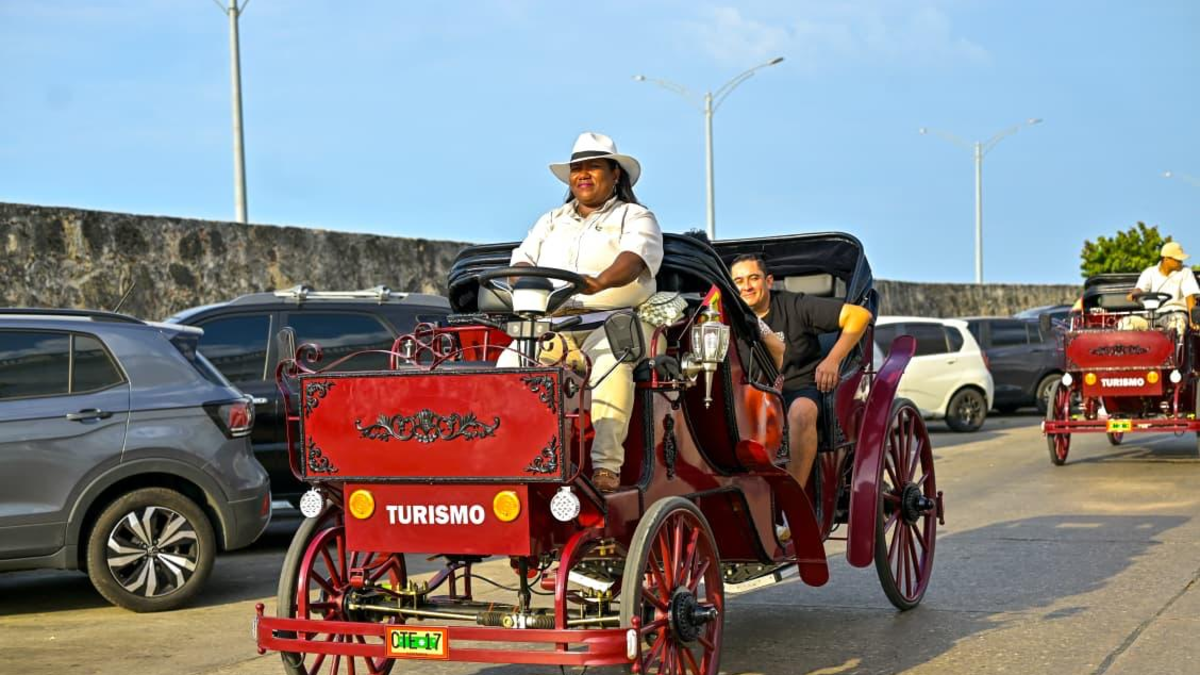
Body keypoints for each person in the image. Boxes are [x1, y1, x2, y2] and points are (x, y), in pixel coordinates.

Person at [506, 132, 663, 493]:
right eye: (577, 169)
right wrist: (526, 285)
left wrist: (600, 281)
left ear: (615, 175)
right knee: (510, 361)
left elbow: (634, 259)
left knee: (612, 357)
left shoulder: (635, 216)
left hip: (614, 317)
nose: (583, 175)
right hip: (555, 321)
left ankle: (606, 465)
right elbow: (522, 261)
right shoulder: (550, 220)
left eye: (593, 167)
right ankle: (522, 457)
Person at [729, 255, 873, 496]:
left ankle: (792, 501)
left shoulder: (794, 305)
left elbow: (859, 316)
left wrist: (832, 360)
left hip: (798, 388)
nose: (746, 286)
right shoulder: (728, 318)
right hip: (751, 396)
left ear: (769, 281)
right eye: (739, 281)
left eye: (754, 278)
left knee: (802, 412)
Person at [1128, 241, 1199, 333]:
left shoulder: (1185, 271)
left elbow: (1190, 296)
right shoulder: (1149, 272)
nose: (1181, 262)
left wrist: (1192, 320)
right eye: (1178, 260)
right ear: (1166, 259)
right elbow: (1140, 289)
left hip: (1176, 313)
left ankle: (1176, 347)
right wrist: (1135, 293)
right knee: (1127, 323)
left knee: (1178, 322)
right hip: (1152, 316)